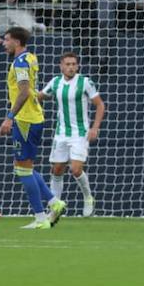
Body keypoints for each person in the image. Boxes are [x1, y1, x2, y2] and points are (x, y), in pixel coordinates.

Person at [0, 25, 65, 229]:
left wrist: (9, 117)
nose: (3, 43)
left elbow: (22, 92)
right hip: (34, 117)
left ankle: (41, 217)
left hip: (24, 120)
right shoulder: (30, 57)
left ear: (17, 42)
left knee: (22, 170)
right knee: (26, 167)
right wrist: (0, 42)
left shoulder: (20, 63)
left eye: (6, 40)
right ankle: (54, 203)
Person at [38, 50, 105, 217]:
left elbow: (100, 105)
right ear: (61, 66)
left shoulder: (85, 82)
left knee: (75, 169)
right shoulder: (55, 82)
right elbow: (41, 96)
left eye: (74, 64)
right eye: (67, 64)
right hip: (61, 133)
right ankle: (55, 209)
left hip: (80, 133)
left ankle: (88, 197)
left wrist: (94, 128)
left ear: (77, 66)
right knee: (57, 169)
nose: (71, 67)